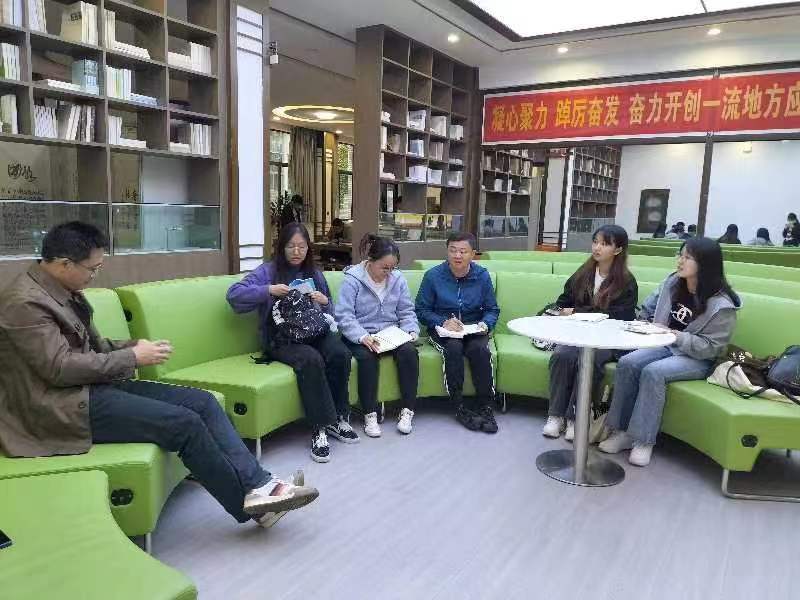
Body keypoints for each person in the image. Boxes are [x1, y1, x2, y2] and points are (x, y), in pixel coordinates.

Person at [0, 222, 318, 529]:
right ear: (64, 264)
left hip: (89, 387)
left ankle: (261, 484)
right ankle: (252, 506)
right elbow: (59, 368)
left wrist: (133, 346)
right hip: (58, 407)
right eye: (92, 269)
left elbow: (91, 348)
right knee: (185, 424)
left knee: (204, 402)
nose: (95, 276)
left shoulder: (63, 289)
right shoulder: (25, 303)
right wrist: (132, 357)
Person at [599, 237, 741, 467]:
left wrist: (676, 335)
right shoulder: (673, 282)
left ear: (705, 264)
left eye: (687, 257)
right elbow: (649, 308)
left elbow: (712, 348)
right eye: (680, 255)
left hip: (698, 358)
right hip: (664, 344)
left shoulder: (722, 306)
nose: (680, 261)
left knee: (654, 372)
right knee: (628, 363)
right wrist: (644, 325)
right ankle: (621, 431)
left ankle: (643, 440)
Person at [227, 223, 357, 463]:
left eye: (302, 247)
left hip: (313, 331)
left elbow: (330, 311)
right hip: (280, 337)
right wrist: (269, 290)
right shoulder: (268, 271)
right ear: (281, 247)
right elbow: (234, 295)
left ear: (308, 248)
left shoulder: (314, 273)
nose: (297, 252)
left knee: (340, 353)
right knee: (311, 359)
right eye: (291, 246)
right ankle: (319, 428)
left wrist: (324, 301)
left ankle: (339, 418)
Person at [542, 225, 638, 440]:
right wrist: (564, 311)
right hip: (577, 335)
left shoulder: (626, 281)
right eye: (595, 242)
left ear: (618, 250)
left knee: (590, 360)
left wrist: (578, 312)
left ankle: (575, 417)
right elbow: (563, 302)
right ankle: (555, 415)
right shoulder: (583, 273)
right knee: (561, 355)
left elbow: (621, 317)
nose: (597, 248)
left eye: (604, 244)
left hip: (607, 340)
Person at [415, 232, 500, 433]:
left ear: (473, 254)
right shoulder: (433, 276)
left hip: (473, 328)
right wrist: (442, 321)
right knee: (453, 349)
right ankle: (458, 405)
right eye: (453, 250)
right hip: (443, 330)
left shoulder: (482, 276)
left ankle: (486, 406)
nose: (457, 255)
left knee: (480, 350)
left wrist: (485, 324)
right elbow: (421, 310)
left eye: (463, 251)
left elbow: (492, 309)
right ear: (447, 252)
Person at [336, 235, 420, 437]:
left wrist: (411, 330)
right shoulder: (353, 280)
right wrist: (362, 336)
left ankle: (407, 410)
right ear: (371, 261)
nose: (388, 273)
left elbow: (406, 311)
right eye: (384, 268)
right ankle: (370, 413)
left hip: (391, 333)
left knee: (409, 352)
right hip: (361, 334)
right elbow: (344, 316)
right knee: (366, 358)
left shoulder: (397, 279)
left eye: (392, 268)